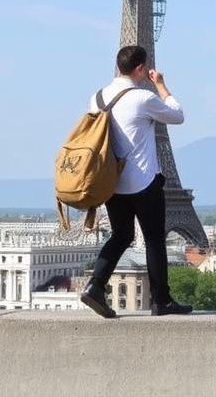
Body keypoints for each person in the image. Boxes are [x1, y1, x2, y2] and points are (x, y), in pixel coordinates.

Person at [79, 45, 193, 317]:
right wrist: (162, 86)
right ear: (141, 68)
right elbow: (177, 115)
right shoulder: (143, 97)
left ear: (118, 66)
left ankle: (95, 285)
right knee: (154, 239)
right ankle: (161, 301)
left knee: (121, 235)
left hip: (111, 182)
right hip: (143, 180)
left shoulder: (96, 98)